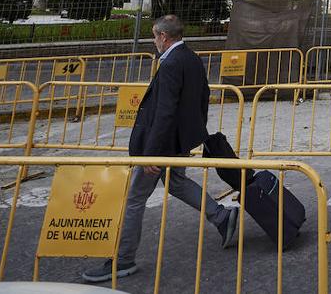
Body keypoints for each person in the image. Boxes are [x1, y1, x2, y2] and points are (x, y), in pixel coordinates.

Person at [82, 15, 240, 283]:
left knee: (134, 199)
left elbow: (165, 111)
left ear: (163, 37)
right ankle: (221, 216)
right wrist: (192, 135)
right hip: (179, 140)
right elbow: (202, 99)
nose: (154, 42)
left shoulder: (170, 63)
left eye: (155, 37)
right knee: (176, 182)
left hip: (162, 143)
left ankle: (123, 259)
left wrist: (150, 153)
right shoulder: (191, 58)